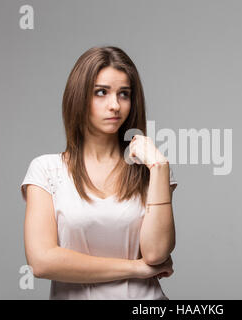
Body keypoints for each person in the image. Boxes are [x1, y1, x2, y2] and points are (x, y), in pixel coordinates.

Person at [20, 46, 178, 300]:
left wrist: (159, 168)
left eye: (124, 94)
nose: (114, 105)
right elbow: (42, 262)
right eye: (101, 93)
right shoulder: (46, 170)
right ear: (78, 96)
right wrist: (135, 268)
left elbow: (156, 254)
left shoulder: (150, 169)